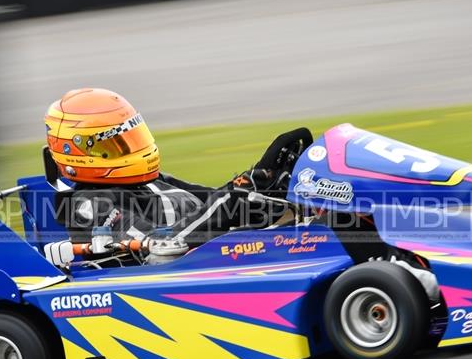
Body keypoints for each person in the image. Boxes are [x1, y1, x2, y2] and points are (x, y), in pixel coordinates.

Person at [42, 88, 311, 267]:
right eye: (114, 144)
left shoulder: (148, 181)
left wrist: (261, 183)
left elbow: (213, 200)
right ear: (75, 151)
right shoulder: (87, 205)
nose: (131, 148)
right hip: (165, 280)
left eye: (131, 137)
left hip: (209, 258)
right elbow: (161, 247)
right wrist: (233, 199)